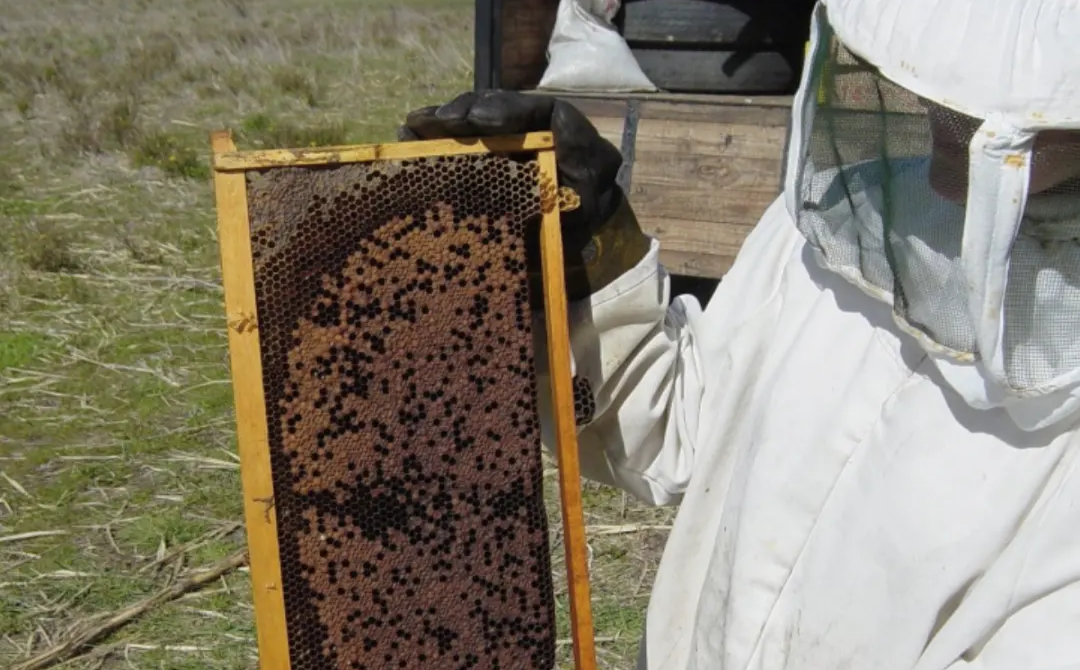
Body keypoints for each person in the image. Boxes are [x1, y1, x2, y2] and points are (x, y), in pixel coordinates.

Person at [400, 0, 1080, 667]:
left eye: (971, 90)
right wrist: (592, 249)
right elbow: (678, 432)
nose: (941, 105)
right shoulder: (853, 211)